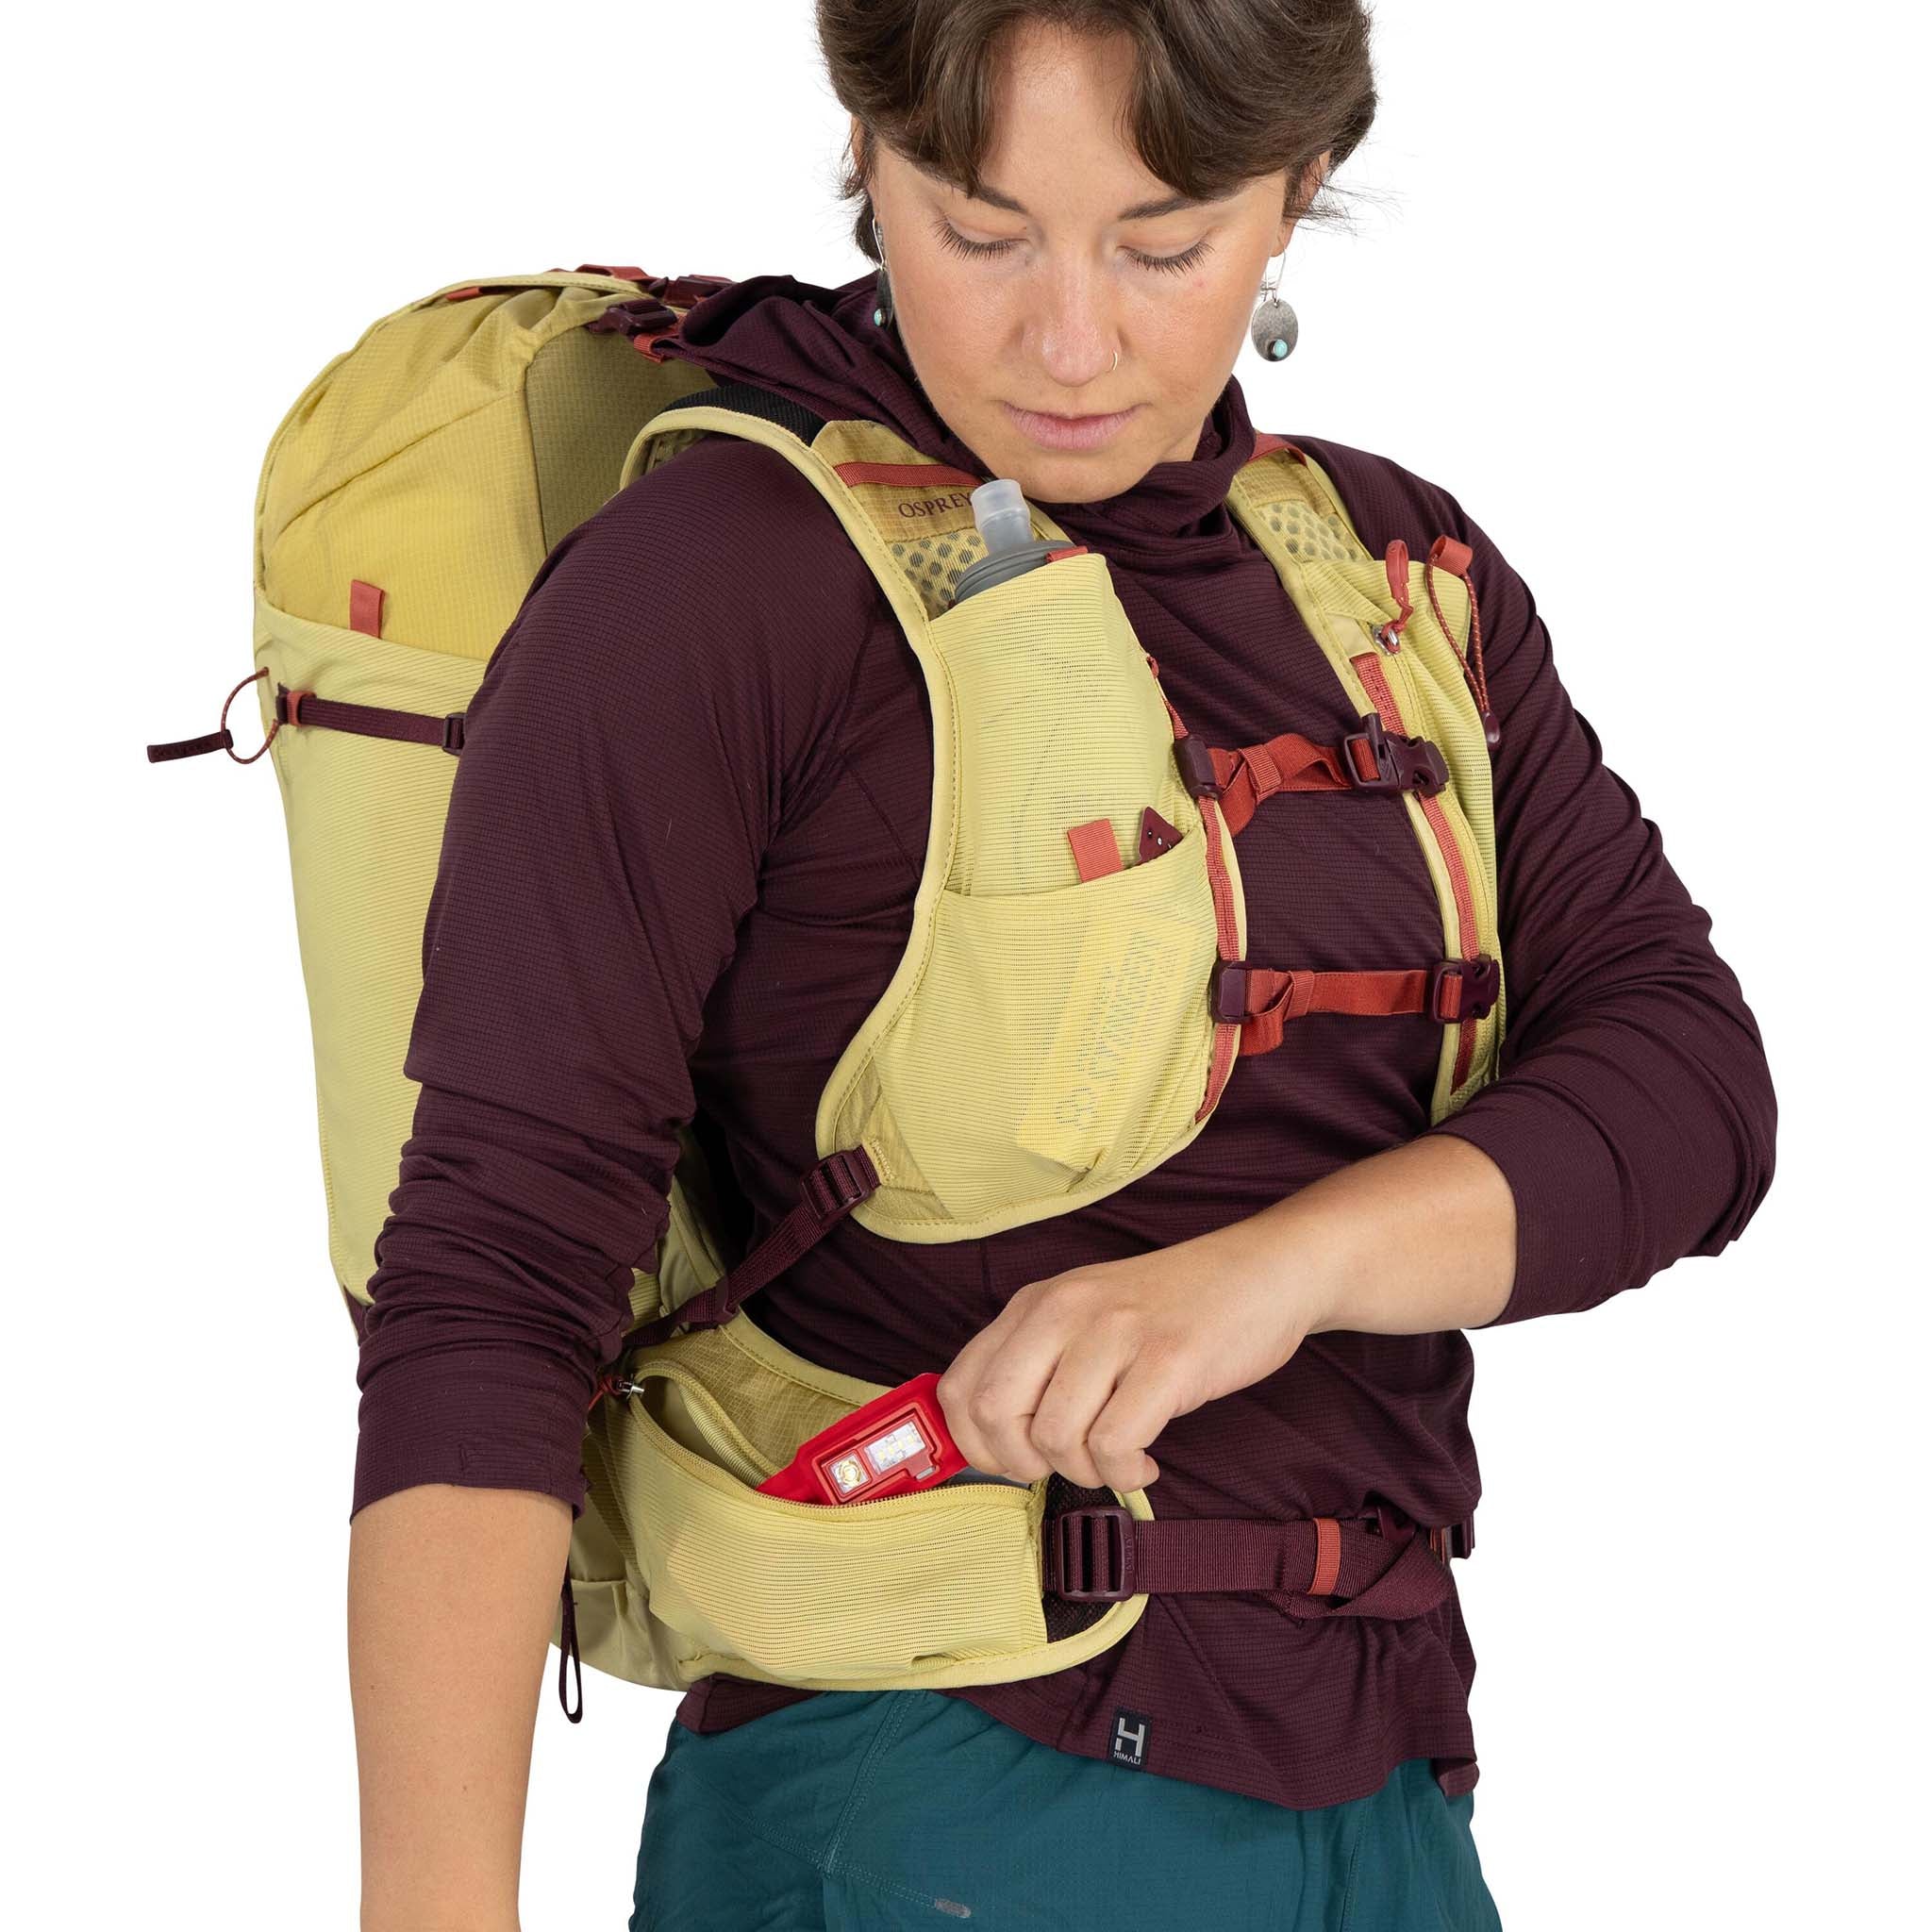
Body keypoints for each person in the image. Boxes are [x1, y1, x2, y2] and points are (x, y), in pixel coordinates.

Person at [345, 5, 1777, 1928]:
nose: (1072, 341)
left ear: (1300, 190)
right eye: (981, 230)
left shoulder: (1395, 580)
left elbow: (1690, 1088)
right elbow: (489, 1278)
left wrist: (1270, 1277)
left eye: (1163, 242)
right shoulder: (716, 582)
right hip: (925, 1801)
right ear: (870, 161)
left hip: (1389, 1806)